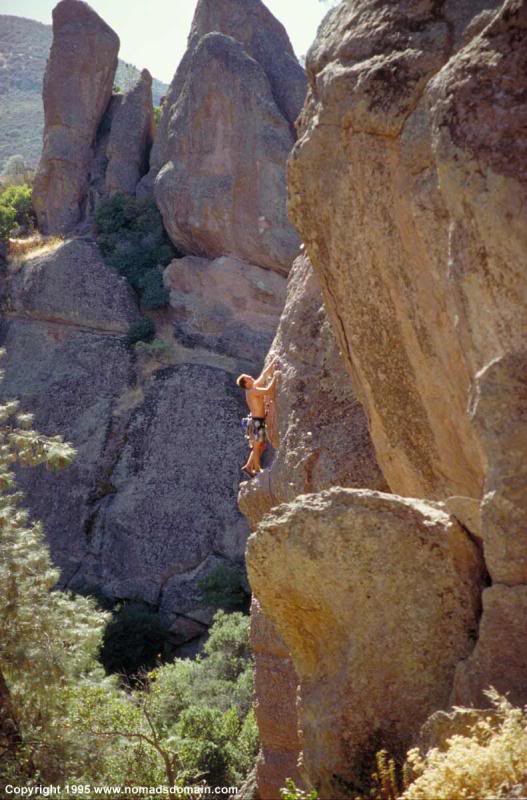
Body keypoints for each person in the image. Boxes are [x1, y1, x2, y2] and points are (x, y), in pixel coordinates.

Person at [237, 357, 279, 478]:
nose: (251, 377)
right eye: (248, 378)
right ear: (246, 383)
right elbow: (268, 390)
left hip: (258, 421)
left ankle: (248, 466)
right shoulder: (252, 391)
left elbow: (264, 375)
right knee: (257, 446)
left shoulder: (253, 386)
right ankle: (256, 468)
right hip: (257, 421)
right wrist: (276, 377)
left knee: (261, 445)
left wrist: (273, 362)